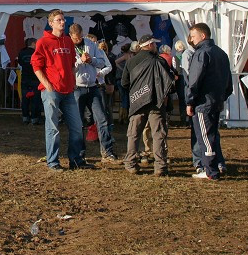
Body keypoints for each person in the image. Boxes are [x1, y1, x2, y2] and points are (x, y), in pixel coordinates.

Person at [31, 10, 92, 171]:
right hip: (51, 90)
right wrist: (47, 84)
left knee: (77, 126)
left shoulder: (67, 41)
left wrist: (72, 81)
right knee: (53, 127)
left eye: (63, 20)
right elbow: (36, 66)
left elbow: (72, 63)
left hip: (68, 90)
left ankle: (76, 160)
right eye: (59, 20)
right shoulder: (43, 42)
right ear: (51, 23)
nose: (62, 22)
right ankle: (53, 161)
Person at [185, 22, 232, 181]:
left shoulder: (201, 53)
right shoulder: (221, 53)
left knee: (205, 137)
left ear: (202, 36)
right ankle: (218, 164)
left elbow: (194, 80)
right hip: (216, 101)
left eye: (193, 36)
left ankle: (210, 170)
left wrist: (190, 101)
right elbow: (228, 80)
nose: (190, 39)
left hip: (203, 103)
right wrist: (222, 96)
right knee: (212, 135)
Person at [121, 34, 174, 176]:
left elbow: (124, 83)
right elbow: (169, 82)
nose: (156, 46)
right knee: (158, 135)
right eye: (154, 44)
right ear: (150, 45)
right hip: (156, 103)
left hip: (137, 102)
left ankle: (131, 163)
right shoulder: (160, 61)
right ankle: (160, 167)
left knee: (133, 134)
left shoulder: (131, 62)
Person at [70, 23, 117, 162]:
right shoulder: (68, 46)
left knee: (102, 119)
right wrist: (80, 61)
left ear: (82, 34)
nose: (77, 40)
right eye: (75, 38)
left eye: (79, 38)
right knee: (78, 122)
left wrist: (92, 60)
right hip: (77, 88)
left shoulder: (91, 44)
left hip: (93, 86)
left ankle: (107, 152)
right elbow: (69, 67)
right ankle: (79, 154)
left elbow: (102, 62)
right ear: (70, 36)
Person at [17, 38, 42, 125]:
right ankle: (34, 118)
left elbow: (20, 62)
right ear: (34, 43)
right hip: (35, 79)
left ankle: (25, 117)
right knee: (35, 100)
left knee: (25, 99)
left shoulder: (21, 52)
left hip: (25, 79)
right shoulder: (36, 52)